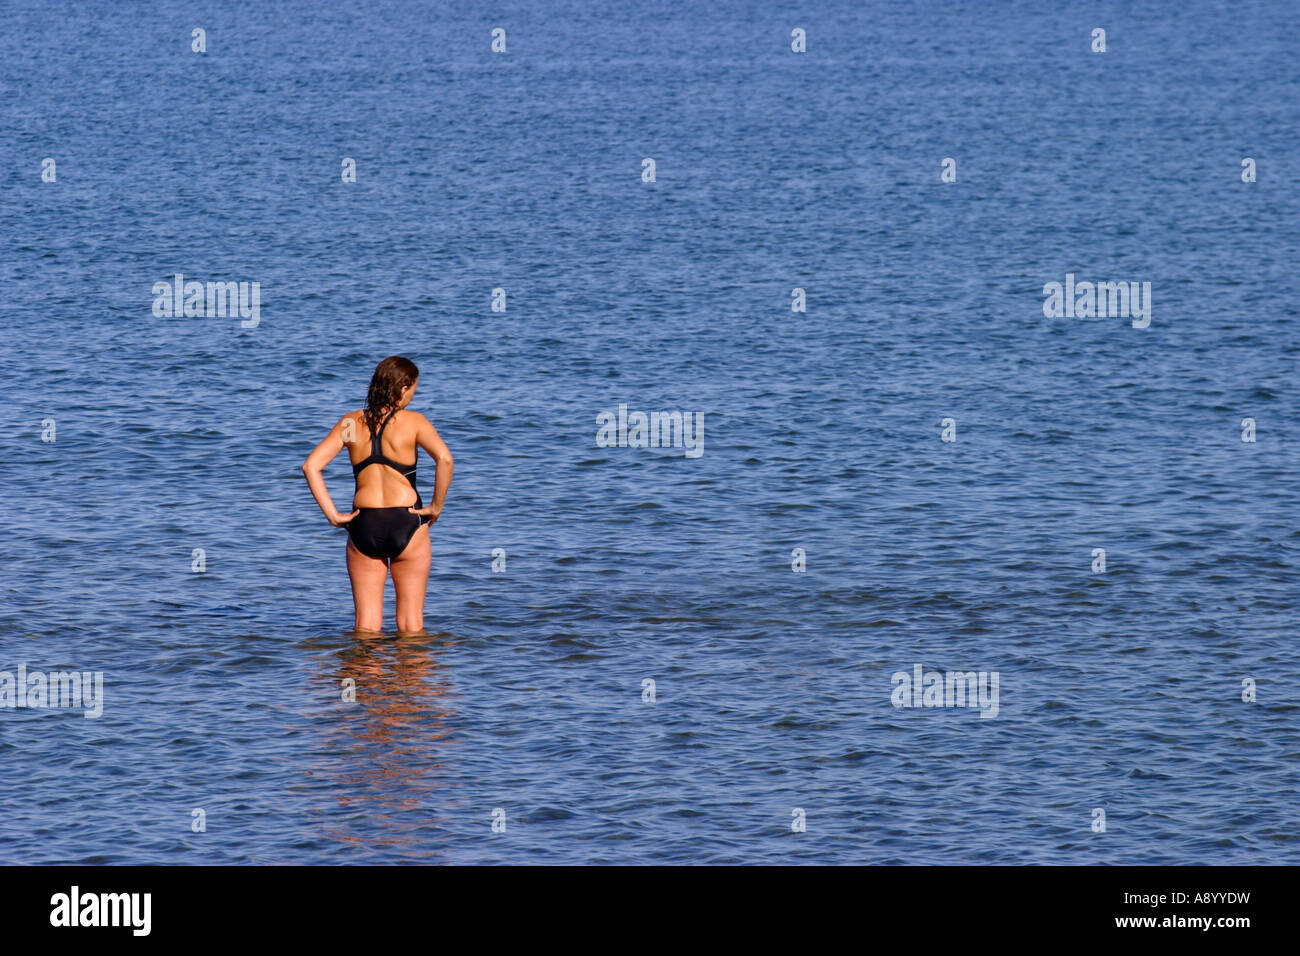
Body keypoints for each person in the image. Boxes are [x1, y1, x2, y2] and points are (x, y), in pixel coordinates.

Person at [302, 356, 453, 634]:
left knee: (366, 627)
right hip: (407, 523)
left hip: (363, 525)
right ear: (404, 388)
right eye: (414, 390)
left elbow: (311, 466)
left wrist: (333, 516)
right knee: (410, 626)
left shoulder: (350, 422)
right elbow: (444, 459)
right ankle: (407, 676)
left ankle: (361, 676)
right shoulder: (414, 421)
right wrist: (435, 506)